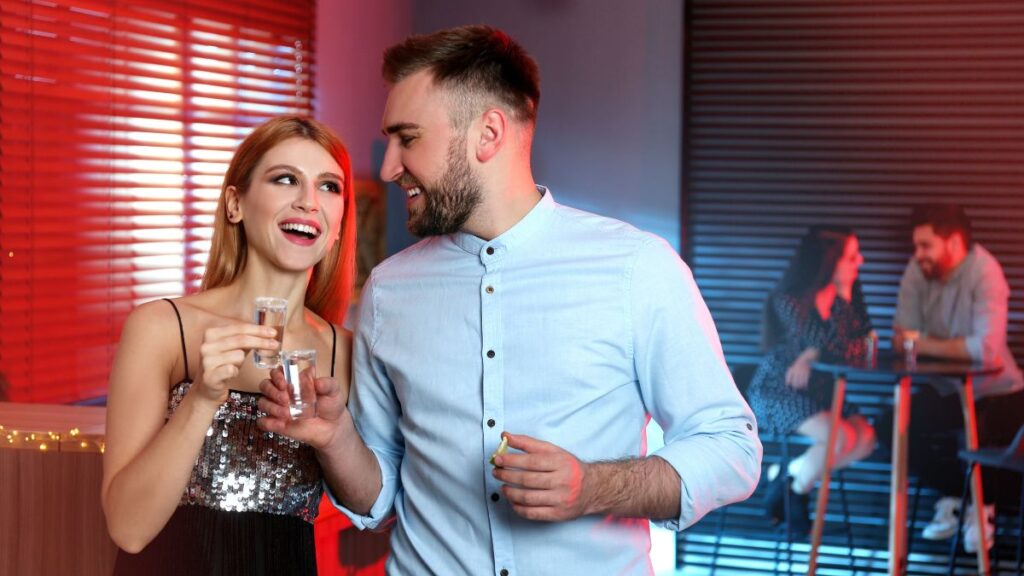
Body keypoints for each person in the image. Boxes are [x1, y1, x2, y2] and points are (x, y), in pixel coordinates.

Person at [258, 24, 761, 575]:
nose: (386, 167)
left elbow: (730, 449)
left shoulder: (637, 267)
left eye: (408, 138)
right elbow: (378, 500)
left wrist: (594, 487)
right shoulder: (388, 290)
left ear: (488, 133)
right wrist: (333, 439)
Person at [101, 115, 357, 574]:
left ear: (337, 226)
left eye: (329, 187)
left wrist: (335, 439)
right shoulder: (162, 327)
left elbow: (374, 509)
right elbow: (127, 528)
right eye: (285, 179)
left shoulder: (348, 353)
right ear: (235, 204)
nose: (308, 202)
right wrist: (201, 399)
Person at [885, 203, 1024, 552]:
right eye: (916, 246)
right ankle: (953, 494)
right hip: (945, 387)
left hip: (997, 389)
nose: (917, 255)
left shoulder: (985, 271)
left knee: (984, 433)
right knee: (891, 427)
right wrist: (934, 345)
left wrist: (922, 342)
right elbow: (901, 340)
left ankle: (982, 509)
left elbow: (986, 351)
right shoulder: (919, 269)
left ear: (953, 242)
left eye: (925, 246)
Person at [747, 226, 877, 534]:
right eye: (851, 257)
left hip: (821, 390)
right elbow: (821, 341)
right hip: (778, 390)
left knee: (866, 440)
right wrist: (818, 349)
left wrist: (815, 352)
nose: (861, 262)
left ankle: (789, 475)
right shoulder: (789, 299)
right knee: (841, 438)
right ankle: (797, 491)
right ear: (829, 261)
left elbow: (859, 350)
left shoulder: (848, 298)